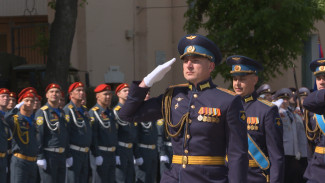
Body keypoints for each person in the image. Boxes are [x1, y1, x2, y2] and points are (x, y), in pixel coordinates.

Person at [118, 34, 248, 183]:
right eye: (185, 61)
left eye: (196, 61)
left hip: (209, 179)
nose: (189, 65)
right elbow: (127, 114)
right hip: (174, 177)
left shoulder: (227, 100)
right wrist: (146, 82)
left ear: (211, 66)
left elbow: (237, 154)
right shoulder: (173, 96)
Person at [226, 55, 285, 183]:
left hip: (255, 177)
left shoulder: (267, 110)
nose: (237, 83)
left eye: (242, 79)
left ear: (255, 80)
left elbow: (276, 156)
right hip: (229, 176)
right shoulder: (227, 107)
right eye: (235, 79)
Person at [34, 83, 69, 183]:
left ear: (61, 95)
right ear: (47, 95)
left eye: (57, 92)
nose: (54, 94)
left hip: (61, 155)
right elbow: (38, 135)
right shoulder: (42, 112)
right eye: (51, 92)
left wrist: (67, 154)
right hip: (49, 155)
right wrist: (40, 156)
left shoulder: (62, 112)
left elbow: (65, 134)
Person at [5, 88, 38, 183]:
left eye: (31, 101)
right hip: (20, 161)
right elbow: (6, 118)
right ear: (20, 103)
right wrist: (15, 108)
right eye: (26, 100)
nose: (29, 103)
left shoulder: (33, 121)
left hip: (32, 161)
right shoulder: (15, 119)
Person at [274, 88, 307, 183]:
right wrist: (277, 104)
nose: (285, 101)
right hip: (283, 150)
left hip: (293, 151)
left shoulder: (292, 114)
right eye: (282, 99)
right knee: (283, 176)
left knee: (292, 176)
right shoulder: (277, 112)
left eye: (287, 99)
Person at [301, 58, 325, 183]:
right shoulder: (311, 107)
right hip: (317, 169)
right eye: (318, 78)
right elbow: (310, 143)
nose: (321, 82)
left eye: (324, 77)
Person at [64, 82, 92, 183]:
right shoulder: (67, 110)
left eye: (82, 90)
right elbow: (65, 134)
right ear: (71, 94)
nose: (81, 92)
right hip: (74, 152)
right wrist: (68, 155)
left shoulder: (84, 110)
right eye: (78, 90)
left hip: (85, 153)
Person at [89, 84, 117, 183]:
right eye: (105, 94)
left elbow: (114, 134)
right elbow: (93, 136)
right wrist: (96, 154)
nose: (108, 97)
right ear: (97, 96)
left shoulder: (110, 112)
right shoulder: (93, 113)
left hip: (111, 153)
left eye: (109, 94)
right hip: (101, 153)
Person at [113, 83, 138, 183]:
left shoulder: (130, 111)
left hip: (130, 150)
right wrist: (117, 153)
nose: (128, 93)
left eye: (129, 91)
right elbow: (115, 134)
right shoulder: (116, 111)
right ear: (118, 94)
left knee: (130, 178)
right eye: (125, 91)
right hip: (121, 149)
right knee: (121, 179)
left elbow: (134, 134)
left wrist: (136, 153)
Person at [134, 91, 158, 183]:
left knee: (152, 178)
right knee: (142, 178)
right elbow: (134, 135)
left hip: (153, 151)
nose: (147, 95)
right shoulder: (136, 112)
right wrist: (137, 154)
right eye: (145, 93)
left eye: (148, 94)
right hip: (142, 150)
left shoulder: (151, 112)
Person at [0, 88, 9, 183]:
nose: (6, 98)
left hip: (4, 156)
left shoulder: (9, 116)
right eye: (3, 96)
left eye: (7, 97)